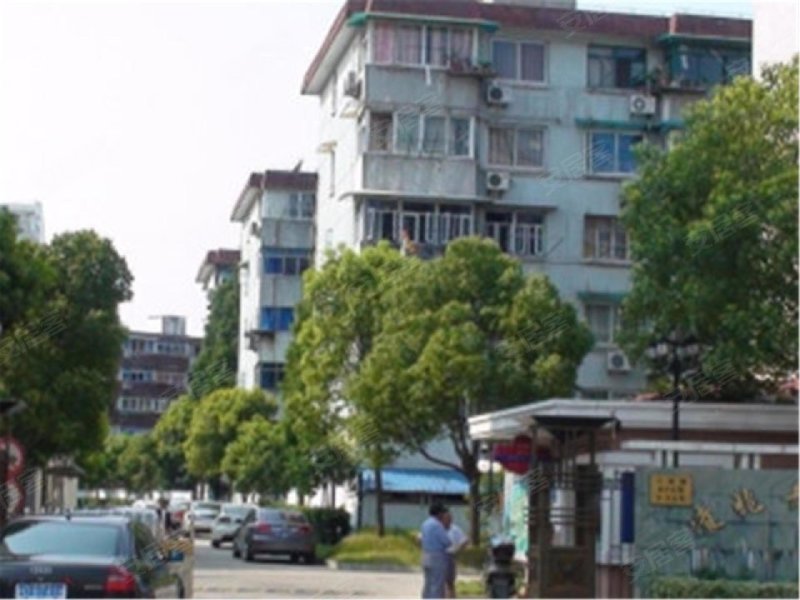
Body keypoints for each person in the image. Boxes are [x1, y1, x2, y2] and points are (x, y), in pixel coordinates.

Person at [420, 502, 453, 599]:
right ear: (439, 513)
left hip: (425, 554)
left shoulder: (425, 524)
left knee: (428, 583)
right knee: (437, 584)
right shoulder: (437, 525)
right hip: (437, 556)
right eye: (443, 512)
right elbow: (446, 542)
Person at [442, 512, 468, 598]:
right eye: (446, 518)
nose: (448, 521)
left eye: (450, 519)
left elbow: (464, 541)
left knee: (450, 582)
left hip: (449, 556)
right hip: (438, 556)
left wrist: (458, 550)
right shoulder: (437, 528)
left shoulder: (455, 529)